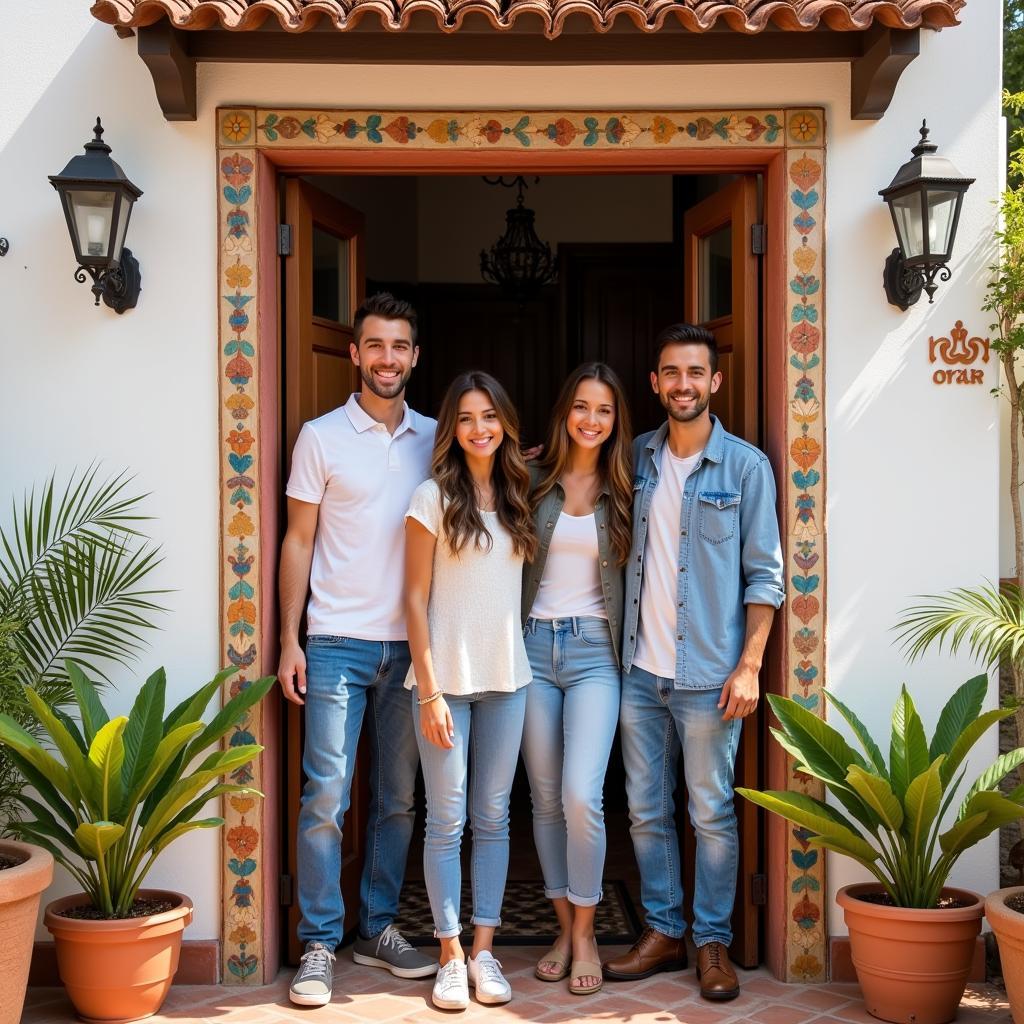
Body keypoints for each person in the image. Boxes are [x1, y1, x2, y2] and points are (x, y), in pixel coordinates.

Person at [603, 324, 785, 1001]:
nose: (683, 384)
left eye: (695, 373)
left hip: (710, 677)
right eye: (671, 372)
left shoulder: (745, 468)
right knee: (646, 811)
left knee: (710, 812)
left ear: (714, 382)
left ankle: (712, 941)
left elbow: (764, 576)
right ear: (654, 383)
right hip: (638, 676)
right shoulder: (635, 459)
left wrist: (750, 666)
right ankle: (662, 930)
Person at [279, 293, 438, 1007]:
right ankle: (320, 940)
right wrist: (290, 638)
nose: (387, 358)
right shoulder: (319, 437)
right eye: (375, 345)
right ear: (354, 354)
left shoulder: (437, 437)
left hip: (412, 647)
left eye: (399, 346)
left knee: (399, 801)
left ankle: (376, 927)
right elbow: (298, 541)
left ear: (414, 356)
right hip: (337, 641)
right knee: (326, 797)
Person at [404, 371, 537, 1011]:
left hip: (508, 678)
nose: (479, 429)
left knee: (493, 817)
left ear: (505, 422)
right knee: (447, 819)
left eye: (489, 416)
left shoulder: (520, 493)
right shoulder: (431, 496)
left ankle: (486, 950)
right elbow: (413, 597)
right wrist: (429, 692)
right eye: (465, 418)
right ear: (450, 429)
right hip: (445, 683)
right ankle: (450, 953)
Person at [519, 362, 633, 996]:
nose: (593, 420)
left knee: (580, 797)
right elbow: (458, 476)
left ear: (618, 421)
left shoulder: (629, 487)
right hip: (532, 648)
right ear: (565, 411)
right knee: (541, 799)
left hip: (595, 656)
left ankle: (586, 932)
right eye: (583, 407)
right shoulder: (531, 479)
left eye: (606, 410)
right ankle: (565, 928)